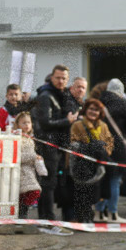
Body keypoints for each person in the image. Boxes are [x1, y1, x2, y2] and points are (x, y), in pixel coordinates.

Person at [33, 65, 77, 226]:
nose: (61, 81)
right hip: (48, 144)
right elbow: (45, 122)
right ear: (52, 77)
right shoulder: (46, 95)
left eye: (64, 78)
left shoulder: (62, 94)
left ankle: (47, 218)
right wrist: (68, 121)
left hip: (58, 144)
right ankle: (48, 218)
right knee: (48, 183)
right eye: (58, 77)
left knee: (52, 182)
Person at [69, 99, 114, 224]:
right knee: (82, 193)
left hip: (98, 164)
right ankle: (83, 218)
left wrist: (103, 151)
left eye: (96, 110)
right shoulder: (78, 125)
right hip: (83, 164)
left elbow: (110, 142)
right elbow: (74, 143)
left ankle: (90, 216)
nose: (93, 112)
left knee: (95, 193)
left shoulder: (103, 126)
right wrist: (91, 148)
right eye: (91, 109)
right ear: (85, 110)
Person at [98, 78, 126, 223]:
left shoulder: (99, 102)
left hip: (101, 145)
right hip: (118, 146)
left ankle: (100, 212)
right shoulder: (123, 103)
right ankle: (113, 213)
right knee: (115, 180)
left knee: (103, 179)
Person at [16, 111, 42, 219]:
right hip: (21, 171)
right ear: (18, 124)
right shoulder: (18, 138)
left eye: (28, 122)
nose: (27, 125)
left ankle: (23, 213)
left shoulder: (30, 139)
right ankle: (22, 214)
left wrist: (37, 158)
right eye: (23, 123)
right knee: (33, 191)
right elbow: (17, 156)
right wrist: (33, 156)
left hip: (30, 171)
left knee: (28, 193)